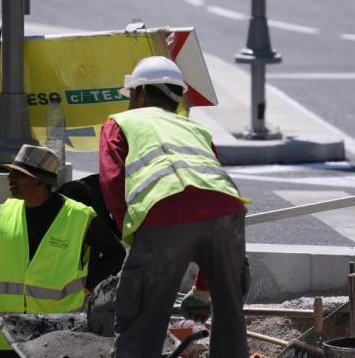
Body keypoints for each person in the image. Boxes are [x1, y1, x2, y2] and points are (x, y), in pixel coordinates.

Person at [99, 56, 249, 358]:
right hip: (228, 212)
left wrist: (135, 240)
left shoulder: (122, 122)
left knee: (142, 323)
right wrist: (203, 289)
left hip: (164, 213)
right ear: (177, 96)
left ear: (140, 93)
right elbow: (208, 199)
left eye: (132, 96)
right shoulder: (195, 129)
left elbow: (113, 183)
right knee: (231, 319)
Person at [0, 145, 126, 357]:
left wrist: (86, 287)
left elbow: (116, 254)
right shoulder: (3, 214)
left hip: (58, 338)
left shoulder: (79, 217)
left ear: (42, 181)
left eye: (19, 174)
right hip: (10, 339)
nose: (10, 178)